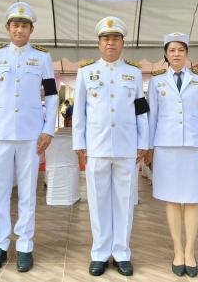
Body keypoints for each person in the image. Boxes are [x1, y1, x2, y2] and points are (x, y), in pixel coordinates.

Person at [0, 2, 59, 273]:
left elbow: (52, 95)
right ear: (7, 28)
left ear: (31, 30)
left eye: (24, 26)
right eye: (15, 25)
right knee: (0, 191)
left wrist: (48, 129)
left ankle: (25, 245)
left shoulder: (42, 58)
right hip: (0, 133)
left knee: (27, 192)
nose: (19, 30)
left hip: (31, 134)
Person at [73, 16, 149, 277]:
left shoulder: (134, 73)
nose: (111, 42)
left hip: (127, 146)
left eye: (115, 38)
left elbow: (141, 110)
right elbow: (79, 111)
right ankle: (100, 253)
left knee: (125, 201)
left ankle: (122, 253)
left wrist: (143, 142)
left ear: (122, 43)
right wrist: (79, 143)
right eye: (106, 38)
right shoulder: (85, 72)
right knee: (98, 201)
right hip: (96, 146)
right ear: (99, 43)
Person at [145, 33, 198, 278]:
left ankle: (190, 251)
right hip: (166, 146)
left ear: (186, 53)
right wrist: (149, 148)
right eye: (172, 50)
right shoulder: (156, 82)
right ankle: (177, 250)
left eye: (180, 49)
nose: (176, 54)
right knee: (172, 199)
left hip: (195, 146)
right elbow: (152, 117)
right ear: (165, 54)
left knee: (193, 199)